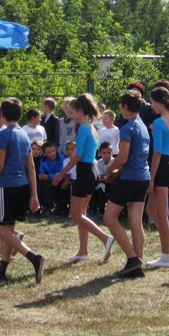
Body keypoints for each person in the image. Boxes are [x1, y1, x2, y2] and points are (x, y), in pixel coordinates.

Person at [0, 98, 44, 285]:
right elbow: (31, 166)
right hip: (22, 187)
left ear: (3, 115)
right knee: (9, 230)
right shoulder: (23, 135)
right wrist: (34, 194)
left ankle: (33, 258)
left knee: (2, 231)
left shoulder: (3, 135)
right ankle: (2, 272)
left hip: (7, 187)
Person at [52, 93, 114, 262]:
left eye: (71, 113)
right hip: (91, 171)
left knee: (75, 214)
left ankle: (105, 238)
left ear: (80, 111)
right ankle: (83, 251)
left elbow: (77, 156)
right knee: (82, 213)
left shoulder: (84, 129)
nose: (69, 116)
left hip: (85, 172)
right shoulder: (91, 127)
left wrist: (61, 173)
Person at [102, 90, 150, 278]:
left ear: (124, 107)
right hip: (142, 178)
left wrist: (108, 169)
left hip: (130, 179)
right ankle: (137, 266)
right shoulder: (143, 126)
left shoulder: (127, 127)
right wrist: (117, 170)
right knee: (135, 222)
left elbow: (122, 157)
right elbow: (135, 157)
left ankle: (132, 258)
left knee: (109, 218)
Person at [145, 86, 169, 268]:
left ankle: (165, 255)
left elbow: (157, 152)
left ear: (159, 102)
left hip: (161, 166)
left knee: (161, 213)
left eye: (152, 102)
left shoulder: (159, 122)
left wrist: (151, 178)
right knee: (151, 210)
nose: (151, 106)